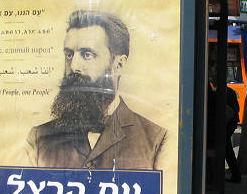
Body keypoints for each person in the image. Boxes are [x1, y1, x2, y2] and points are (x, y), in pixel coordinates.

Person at [26, 10, 167, 170]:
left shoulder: (156, 141)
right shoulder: (39, 140)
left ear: (118, 65)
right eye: (69, 55)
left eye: (87, 55)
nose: (74, 66)